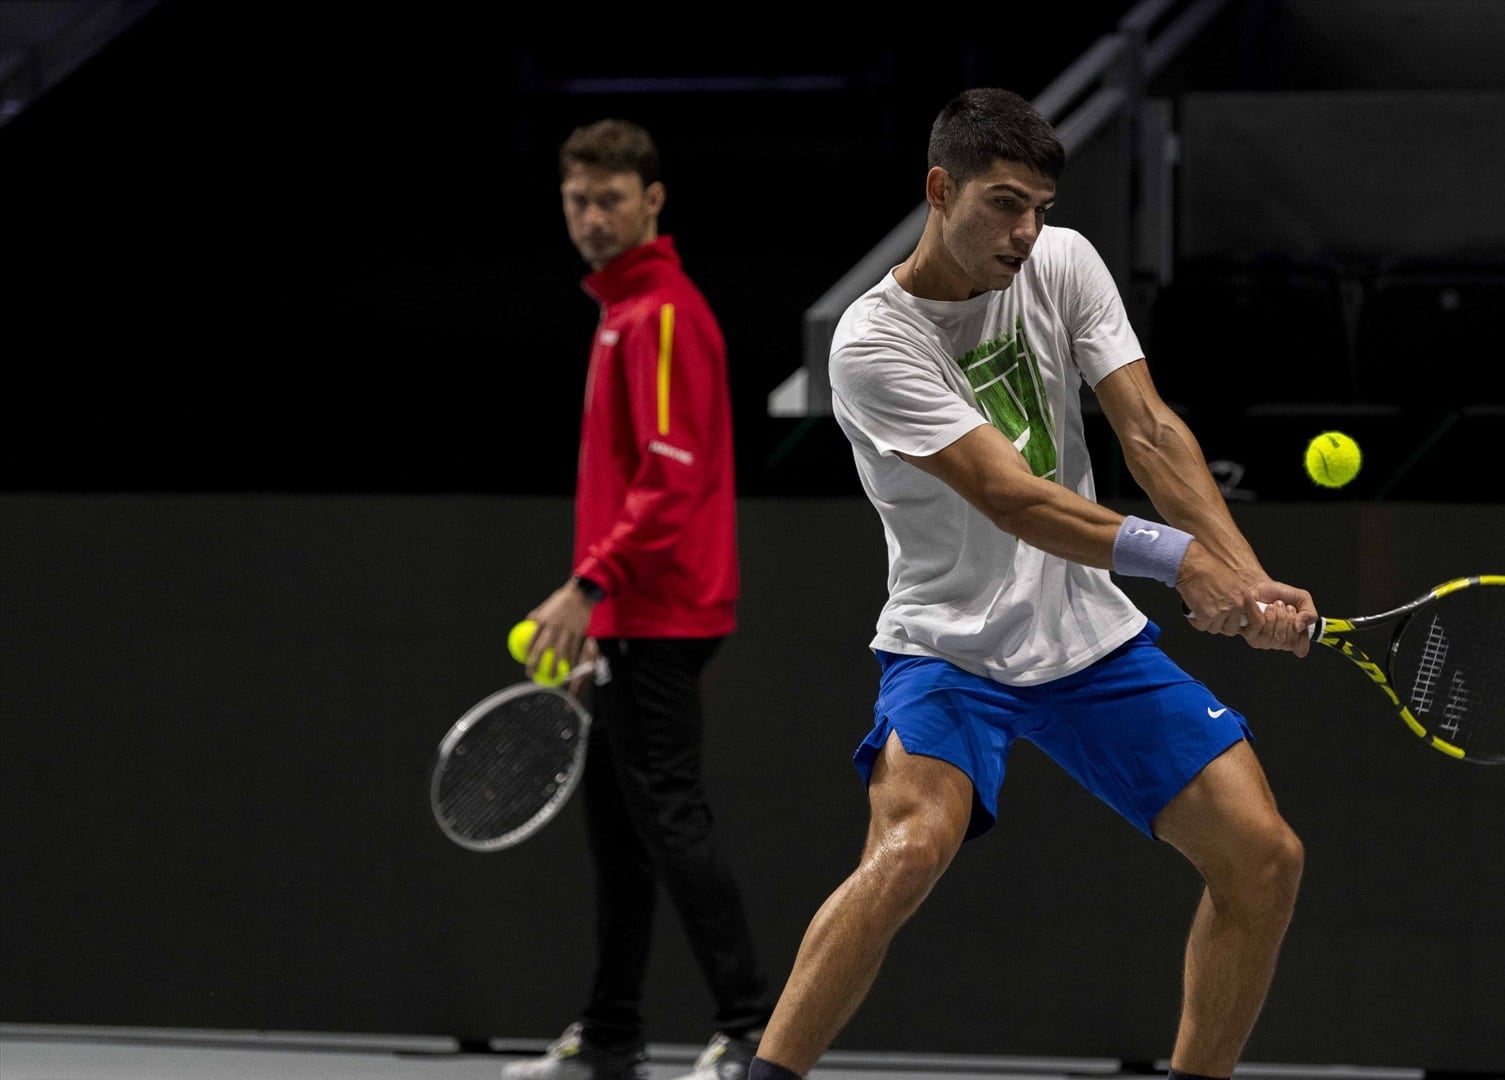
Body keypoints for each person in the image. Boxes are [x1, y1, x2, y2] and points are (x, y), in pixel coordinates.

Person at [745, 87, 1318, 1080]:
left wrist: (1248, 576)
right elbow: (1015, 500)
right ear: (940, 188)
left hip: (1088, 636)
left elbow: (1148, 431)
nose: (1026, 230)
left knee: (1264, 858)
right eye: (1005, 203)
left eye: (1040, 207)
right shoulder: (874, 342)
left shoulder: (1061, 262)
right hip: (949, 647)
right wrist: (1184, 563)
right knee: (909, 852)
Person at [504, 118, 774, 1080]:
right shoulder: (620, 310)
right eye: (578, 200)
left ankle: (754, 1030)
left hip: (658, 609)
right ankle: (612, 1032)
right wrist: (594, 616)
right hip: (626, 614)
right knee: (619, 832)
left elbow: (669, 477)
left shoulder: (658, 314)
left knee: (666, 817)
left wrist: (588, 590)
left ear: (652, 201)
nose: (592, 218)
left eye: (610, 199)